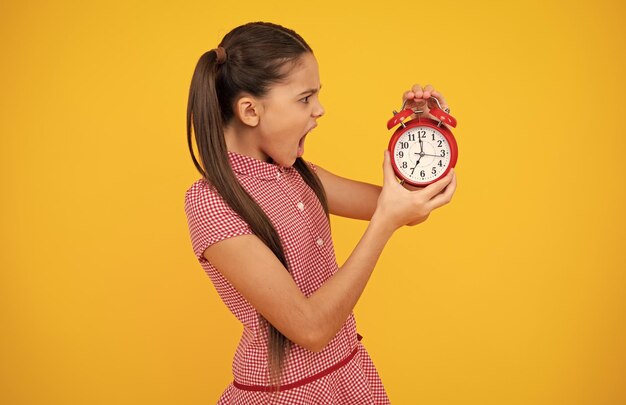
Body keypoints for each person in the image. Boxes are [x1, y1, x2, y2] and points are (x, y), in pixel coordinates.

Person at [184, 21, 457, 404]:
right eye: (304, 98)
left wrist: (422, 129)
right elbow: (310, 329)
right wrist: (383, 224)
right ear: (250, 110)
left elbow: (410, 208)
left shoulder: (300, 175)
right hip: (289, 395)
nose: (320, 109)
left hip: (349, 376)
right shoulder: (212, 203)